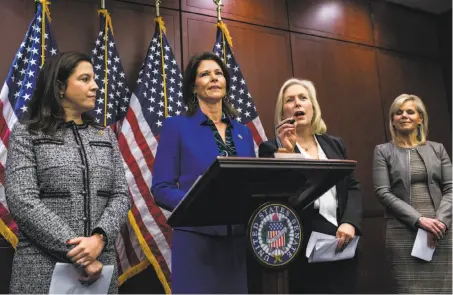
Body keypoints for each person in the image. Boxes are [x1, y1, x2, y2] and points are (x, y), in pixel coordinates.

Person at [5, 51, 130, 294]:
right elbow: (23, 201)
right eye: (85, 79)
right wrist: (81, 254)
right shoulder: (28, 133)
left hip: (100, 268)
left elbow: (121, 195)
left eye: (94, 79)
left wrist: (99, 239)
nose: (95, 86)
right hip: (41, 269)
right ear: (60, 87)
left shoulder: (105, 136)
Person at [151, 51, 255, 293]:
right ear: (193, 87)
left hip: (237, 244)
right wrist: (199, 202)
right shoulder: (176, 126)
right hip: (196, 240)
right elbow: (161, 188)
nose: (214, 78)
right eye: (205, 74)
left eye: (218, 73)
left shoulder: (244, 132)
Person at [259, 78, 362, 293]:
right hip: (305, 249)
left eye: (303, 98)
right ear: (283, 112)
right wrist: (286, 153)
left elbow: (352, 186)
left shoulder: (334, 144)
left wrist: (350, 222)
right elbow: (282, 197)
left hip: (344, 240)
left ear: (313, 107)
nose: (297, 103)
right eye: (290, 100)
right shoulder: (270, 149)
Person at [373, 94, 452, 293]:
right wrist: (419, 220)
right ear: (392, 120)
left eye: (410, 111)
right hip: (403, 233)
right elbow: (383, 192)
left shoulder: (438, 149)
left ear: (420, 118)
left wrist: (441, 221)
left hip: (441, 232)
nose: (404, 116)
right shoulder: (383, 151)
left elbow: (451, 188)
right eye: (398, 112)